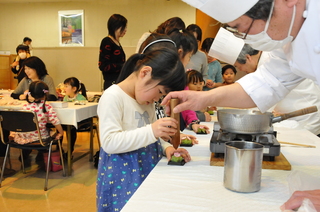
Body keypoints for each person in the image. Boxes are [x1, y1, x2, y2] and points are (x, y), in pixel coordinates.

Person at [171, 0, 320, 210]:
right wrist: (204, 98)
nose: (250, 40)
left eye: (243, 29)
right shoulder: (285, 40)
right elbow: (264, 85)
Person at [96, 47, 192, 211]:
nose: (157, 99)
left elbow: (155, 135)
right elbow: (109, 142)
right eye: (160, 92)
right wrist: (152, 131)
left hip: (146, 167)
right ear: (145, 73)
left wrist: (166, 147)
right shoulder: (113, 96)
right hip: (122, 176)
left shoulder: (146, 100)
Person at [235, 44, 320, 135]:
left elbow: (264, 99)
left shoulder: (270, 63)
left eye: (237, 66)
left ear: (248, 58)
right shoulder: (266, 59)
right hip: (292, 116)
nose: (241, 70)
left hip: (305, 118)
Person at [10, 81, 63, 164]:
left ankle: (26, 156)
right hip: (39, 137)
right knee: (54, 133)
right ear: (45, 93)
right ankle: (44, 158)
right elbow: (55, 121)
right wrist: (61, 132)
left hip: (22, 137)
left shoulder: (25, 106)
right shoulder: (47, 106)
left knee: (44, 131)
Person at [98, 14, 127, 90]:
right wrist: (124, 66)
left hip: (119, 81)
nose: (125, 30)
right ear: (116, 27)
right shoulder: (107, 41)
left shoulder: (117, 42)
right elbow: (103, 65)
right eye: (123, 27)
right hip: (111, 83)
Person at [62, 77, 87, 155]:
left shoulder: (81, 98)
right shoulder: (65, 98)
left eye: (66, 86)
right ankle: (59, 149)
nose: (64, 88)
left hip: (79, 121)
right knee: (59, 126)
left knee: (71, 128)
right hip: (67, 120)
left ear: (74, 88)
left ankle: (70, 150)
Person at [185, 24, 212, 88]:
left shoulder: (202, 56)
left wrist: (200, 84)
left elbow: (205, 76)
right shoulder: (180, 53)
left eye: (196, 41)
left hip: (196, 92)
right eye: (191, 41)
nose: (194, 44)